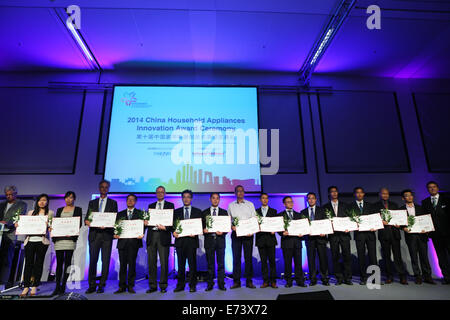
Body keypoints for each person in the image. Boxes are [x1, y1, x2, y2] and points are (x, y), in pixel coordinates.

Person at [84, 180, 118, 294]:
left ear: (108, 189)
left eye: (106, 187)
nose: (104, 189)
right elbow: (88, 218)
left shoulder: (113, 203)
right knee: (93, 261)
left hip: (107, 235)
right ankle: (92, 285)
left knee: (105, 261)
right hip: (94, 234)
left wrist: (109, 225)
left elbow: (114, 219)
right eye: (102, 187)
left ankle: (102, 285)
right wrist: (87, 221)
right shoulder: (92, 203)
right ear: (99, 188)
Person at [18, 194, 52, 297]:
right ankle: (26, 286)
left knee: (39, 263)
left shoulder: (50, 213)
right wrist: (18, 224)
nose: (42, 202)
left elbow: (51, 226)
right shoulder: (30, 213)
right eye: (40, 200)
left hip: (42, 241)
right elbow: (25, 225)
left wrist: (49, 227)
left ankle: (35, 286)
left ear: (47, 202)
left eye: (44, 200)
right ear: (37, 202)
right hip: (30, 241)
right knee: (28, 264)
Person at [50, 191, 83, 296]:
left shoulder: (78, 209)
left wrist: (72, 233)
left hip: (70, 240)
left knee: (67, 263)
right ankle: (57, 286)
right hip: (59, 240)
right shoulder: (60, 210)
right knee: (59, 263)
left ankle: (63, 286)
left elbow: (79, 224)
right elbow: (56, 223)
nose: (69, 199)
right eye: (67, 198)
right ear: (64, 199)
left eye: (71, 197)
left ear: (74, 199)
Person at [373, 188, 407, 285]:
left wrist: (399, 224)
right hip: (384, 234)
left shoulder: (394, 205)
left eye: (387, 193)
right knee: (386, 257)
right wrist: (380, 221)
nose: (385, 195)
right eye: (383, 193)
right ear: (379, 194)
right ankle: (389, 276)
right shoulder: (375, 206)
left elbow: (399, 218)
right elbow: (374, 219)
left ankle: (402, 277)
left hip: (395, 234)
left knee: (398, 257)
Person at [401, 189, 435, 285]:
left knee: (424, 256)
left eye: (411, 195)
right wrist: (403, 228)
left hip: (422, 235)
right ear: (403, 198)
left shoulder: (421, 208)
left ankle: (428, 276)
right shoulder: (401, 209)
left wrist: (427, 228)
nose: (409, 197)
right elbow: (400, 223)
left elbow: (426, 220)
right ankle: (418, 276)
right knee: (414, 257)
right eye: (407, 195)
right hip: (410, 236)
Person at [145, 186, 174, 293]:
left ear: (165, 193)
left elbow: (172, 223)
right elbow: (147, 222)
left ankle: (163, 285)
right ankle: (152, 286)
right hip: (152, 236)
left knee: (164, 262)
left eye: (162, 192)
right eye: (158, 192)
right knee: (151, 262)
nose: (160, 194)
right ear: (156, 193)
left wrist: (166, 227)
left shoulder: (170, 206)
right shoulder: (151, 206)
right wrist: (145, 223)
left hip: (163, 235)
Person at [227, 185, 257, 289]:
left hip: (248, 235)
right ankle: (236, 281)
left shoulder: (250, 205)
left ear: (244, 193)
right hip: (236, 234)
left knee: (248, 258)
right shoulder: (231, 205)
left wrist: (252, 230)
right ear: (235, 193)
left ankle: (249, 281)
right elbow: (228, 221)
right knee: (236, 258)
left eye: (242, 191)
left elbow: (254, 219)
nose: (240, 193)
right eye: (238, 191)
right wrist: (232, 226)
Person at [173, 189, 202, 292]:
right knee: (180, 265)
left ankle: (192, 285)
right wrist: (173, 232)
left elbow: (201, 226)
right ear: (182, 198)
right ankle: (180, 285)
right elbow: (173, 226)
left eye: (188, 197)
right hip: (180, 242)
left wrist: (197, 231)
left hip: (191, 241)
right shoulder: (176, 212)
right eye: (184, 197)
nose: (186, 199)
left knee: (192, 265)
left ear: (191, 198)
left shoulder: (197, 212)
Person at [114, 194, 144, 294]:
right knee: (122, 265)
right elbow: (116, 227)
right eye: (128, 200)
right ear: (126, 201)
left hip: (134, 243)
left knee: (132, 265)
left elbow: (144, 226)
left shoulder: (140, 213)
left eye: (132, 200)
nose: (130, 201)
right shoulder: (120, 214)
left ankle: (131, 286)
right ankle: (121, 286)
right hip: (122, 243)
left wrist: (142, 233)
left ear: (135, 202)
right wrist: (116, 234)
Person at [347, 187, 378, 285]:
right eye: (357, 193)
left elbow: (375, 218)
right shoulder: (350, 206)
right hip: (359, 235)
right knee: (361, 257)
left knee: (373, 256)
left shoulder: (370, 205)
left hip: (370, 233)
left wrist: (375, 226)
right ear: (354, 194)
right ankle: (363, 278)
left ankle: (375, 278)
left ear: (364, 194)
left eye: (361, 193)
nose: (359, 194)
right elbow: (349, 220)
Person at [322, 186, 352, 285]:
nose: (334, 193)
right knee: (335, 257)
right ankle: (339, 277)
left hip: (344, 234)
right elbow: (323, 222)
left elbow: (350, 219)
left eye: (335, 191)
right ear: (329, 194)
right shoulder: (325, 207)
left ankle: (348, 278)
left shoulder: (346, 205)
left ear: (337, 193)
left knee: (346, 256)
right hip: (333, 236)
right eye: (332, 192)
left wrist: (349, 227)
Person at [421, 181, 450, 284]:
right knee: (441, 257)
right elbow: (424, 218)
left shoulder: (447, 199)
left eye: (434, 187)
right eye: (430, 187)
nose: (432, 189)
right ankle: (447, 277)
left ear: (437, 188)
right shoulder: (425, 202)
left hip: (448, 233)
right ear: (427, 189)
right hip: (435, 235)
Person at [0, 185, 27, 289]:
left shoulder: (21, 204)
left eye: (11, 194)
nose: (9, 196)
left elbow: (19, 218)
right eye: (7, 195)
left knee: (7, 259)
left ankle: (4, 282)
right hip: (0, 234)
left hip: (10, 235)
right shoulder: (1, 205)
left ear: (15, 194)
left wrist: (7, 223)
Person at [301, 192, 329, 286]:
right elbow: (302, 226)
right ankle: (313, 279)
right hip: (309, 239)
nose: (311, 200)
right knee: (311, 259)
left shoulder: (322, 210)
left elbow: (326, 223)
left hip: (320, 238)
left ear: (316, 199)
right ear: (307, 200)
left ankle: (324, 278)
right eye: (309, 198)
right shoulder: (303, 212)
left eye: (313, 198)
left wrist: (324, 231)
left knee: (322, 258)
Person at [202, 192, 228, 291]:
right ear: (210, 199)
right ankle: (210, 284)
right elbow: (201, 227)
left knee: (221, 264)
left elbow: (227, 228)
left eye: (217, 198)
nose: (215, 200)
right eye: (213, 198)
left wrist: (223, 232)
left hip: (220, 241)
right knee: (210, 264)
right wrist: (203, 230)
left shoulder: (224, 212)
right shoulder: (204, 213)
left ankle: (221, 284)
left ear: (219, 200)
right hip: (209, 241)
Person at [279, 196, 306, 288]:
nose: (290, 203)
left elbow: (303, 228)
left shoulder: (299, 215)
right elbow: (278, 229)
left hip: (297, 242)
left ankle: (300, 280)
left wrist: (302, 233)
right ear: (284, 204)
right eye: (288, 202)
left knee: (298, 262)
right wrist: (282, 233)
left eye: (291, 201)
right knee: (287, 263)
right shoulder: (280, 215)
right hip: (286, 243)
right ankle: (288, 281)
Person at [255, 193, 278, 288]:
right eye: (263, 198)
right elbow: (253, 225)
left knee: (272, 261)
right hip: (260, 239)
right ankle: (265, 281)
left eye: (266, 198)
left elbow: (276, 224)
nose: (265, 200)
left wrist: (274, 230)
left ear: (268, 200)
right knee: (263, 262)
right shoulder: (255, 212)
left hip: (270, 239)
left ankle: (273, 281)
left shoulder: (273, 211)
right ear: (260, 200)